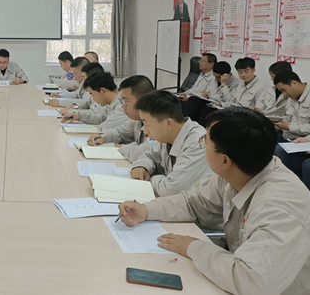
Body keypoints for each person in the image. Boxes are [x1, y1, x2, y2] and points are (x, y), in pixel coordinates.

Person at [118, 107, 310, 294]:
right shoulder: (238, 172)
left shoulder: (278, 208)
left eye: (205, 142)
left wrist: (192, 247)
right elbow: (193, 202)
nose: (202, 146)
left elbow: (252, 282)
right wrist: (147, 210)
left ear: (225, 160)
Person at [130, 90, 211, 196]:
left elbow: (172, 189)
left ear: (168, 123)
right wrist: (142, 167)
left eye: (147, 124)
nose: (145, 130)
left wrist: (151, 178)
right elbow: (150, 155)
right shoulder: (168, 135)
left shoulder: (197, 142)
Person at [87, 75, 154, 163]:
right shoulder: (136, 121)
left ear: (143, 101)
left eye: (126, 101)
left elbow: (144, 152)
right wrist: (103, 137)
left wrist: (124, 148)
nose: (123, 106)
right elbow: (119, 133)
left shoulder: (157, 123)